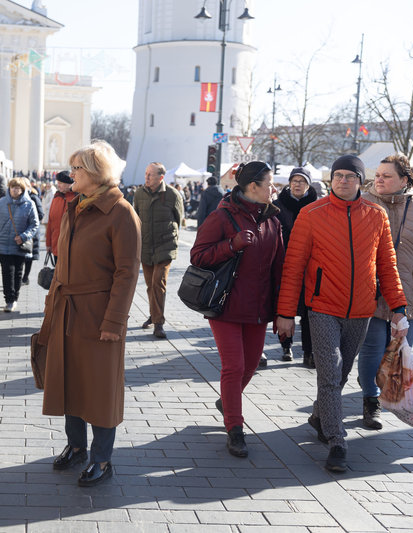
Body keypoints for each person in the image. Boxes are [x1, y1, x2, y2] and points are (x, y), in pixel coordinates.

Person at [275, 154, 408, 473]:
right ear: (330, 180)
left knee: (342, 373)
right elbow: (293, 267)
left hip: (361, 310)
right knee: (331, 373)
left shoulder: (376, 215)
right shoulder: (311, 213)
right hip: (321, 308)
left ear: (360, 181)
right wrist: (284, 315)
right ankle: (336, 440)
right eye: (338, 176)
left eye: (350, 176)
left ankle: (320, 415)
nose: (343, 181)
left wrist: (398, 307)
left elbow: (387, 266)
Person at [39, 140, 141, 487]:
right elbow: (62, 262)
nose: (72, 174)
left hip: (99, 315)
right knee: (69, 380)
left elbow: (127, 273)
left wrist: (114, 321)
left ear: (96, 174)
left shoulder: (121, 212)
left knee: (99, 388)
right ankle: (76, 446)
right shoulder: (75, 206)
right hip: (67, 309)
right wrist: (52, 305)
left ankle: (102, 458)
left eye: (78, 169)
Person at [190, 161, 283, 458]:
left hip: (258, 308)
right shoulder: (222, 217)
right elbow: (198, 256)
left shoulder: (273, 221)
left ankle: (228, 403)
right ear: (253, 186)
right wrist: (231, 245)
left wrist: (284, 312)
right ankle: (235, 428)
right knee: (235, 366)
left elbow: (280, 269)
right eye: (270, 183)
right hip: (225, 305)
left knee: (252, 365)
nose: (274, 188)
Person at [358, 155, 413, 429]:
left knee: (400, 351)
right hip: (370, 292)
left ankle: (388, 393)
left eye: (386, 176)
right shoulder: (364, 202)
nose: (379, 179)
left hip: (407, 292)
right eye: (377, 174)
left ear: (405, 181)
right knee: (373, 349)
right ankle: (370, 401)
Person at [272, 167, 318, 365]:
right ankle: (286, 345)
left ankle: (309, 352)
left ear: (308, 184)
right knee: (285, 306)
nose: (297, 184)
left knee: (309, 310)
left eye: (302, 181)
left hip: (311, 265)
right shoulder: (277, 206)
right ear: (289, 183)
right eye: (294, 180)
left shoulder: (317, 207)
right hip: (285, 263)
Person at [133, 162, 184, 339]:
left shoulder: (172, 195)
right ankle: (153, 314)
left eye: (150, 175)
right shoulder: (139, 194)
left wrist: (173, 242)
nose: (146, 177)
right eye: (146, 173)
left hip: (165, 247)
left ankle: (159, 324)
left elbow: (179, 219)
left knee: (158, 283)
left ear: (161, 177)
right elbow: (136, 218)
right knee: (150, 285)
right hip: (146, 247)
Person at [0, 177, 39, 312]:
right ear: (9, 188)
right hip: (3, 244)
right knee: (6, 272)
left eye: (17, 188)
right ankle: (9, 300)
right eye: (12, 187)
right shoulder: (2, 202)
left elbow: (34, 225)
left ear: (22, 190)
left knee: (17, 273)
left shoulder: (29, 204)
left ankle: (15, 297)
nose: (14, 190)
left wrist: (24, 236)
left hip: (19, 245)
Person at [45, 170, 77, 263]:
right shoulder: (56, 197)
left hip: (71, 248)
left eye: (61, 183)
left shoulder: (77, 198)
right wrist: (48, 244)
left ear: (69, 184)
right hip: (56, 246)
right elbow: (50, 222)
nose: (58, 185)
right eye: (57, 182)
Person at [22, 178, 45, 285]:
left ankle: (25, 277)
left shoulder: (33, 198)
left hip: (31, 232)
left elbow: (41, 214)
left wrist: (29, 220)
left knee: (28, 257)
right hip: (19, 232)